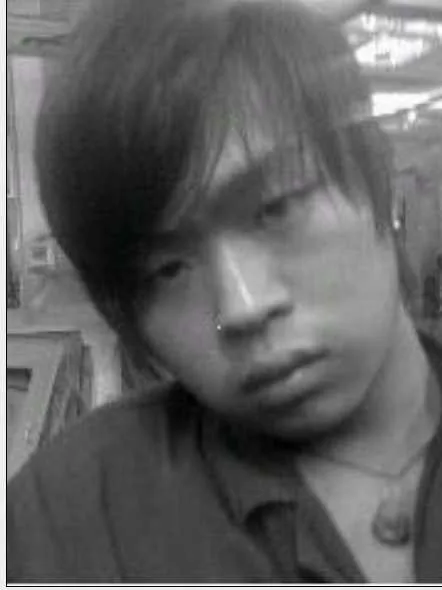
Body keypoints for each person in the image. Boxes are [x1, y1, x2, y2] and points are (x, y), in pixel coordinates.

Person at [7, 0, 442, 583]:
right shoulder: (75, 514)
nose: (242, 307)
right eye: (167, 269)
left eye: (276, 208)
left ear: (376, 179)